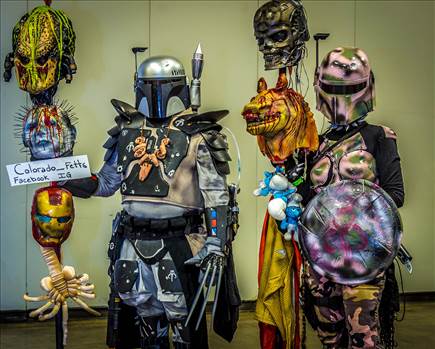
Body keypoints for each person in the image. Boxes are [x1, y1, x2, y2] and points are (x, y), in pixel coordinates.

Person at [63, 54, 238, 349]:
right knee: (144, 321)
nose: (155, 94)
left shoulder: (199, 135)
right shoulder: (127, 132)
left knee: (183, 322)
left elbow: (216, 196)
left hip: (181, 242)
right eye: (149, 86)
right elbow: (105, 183)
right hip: (132, 242)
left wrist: (215, 244)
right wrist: (64, 179)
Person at [303, 47, 404, 349]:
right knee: (328, 337)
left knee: (364, 338)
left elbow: (395, 194)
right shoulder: (314, 145)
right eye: (333, 88)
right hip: (320, 262)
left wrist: (353, 207)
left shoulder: (378, 136)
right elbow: (306, 199)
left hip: (364, 257)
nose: (340, 98)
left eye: (348, 89)